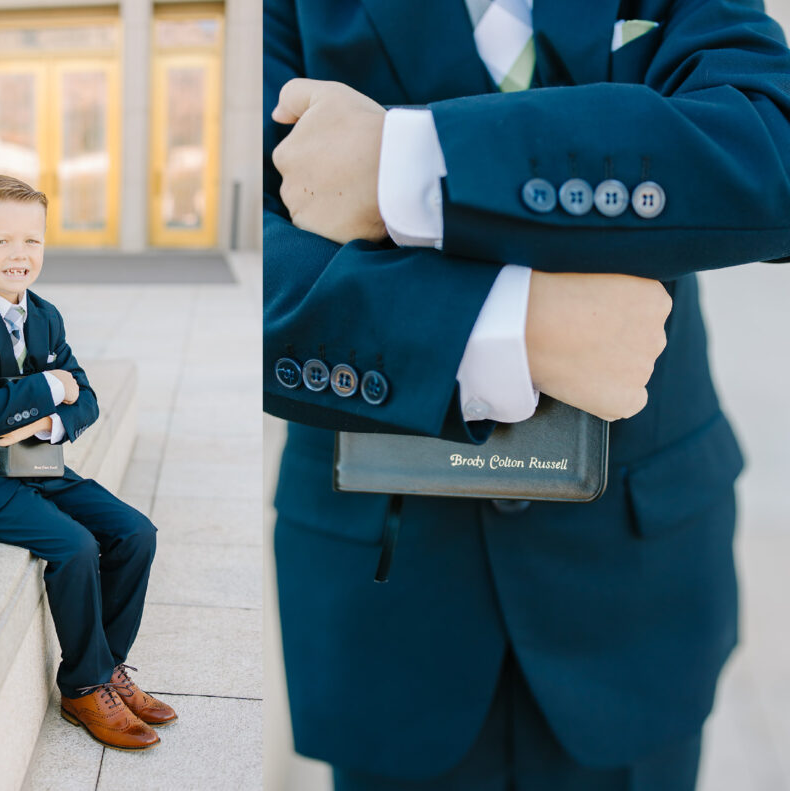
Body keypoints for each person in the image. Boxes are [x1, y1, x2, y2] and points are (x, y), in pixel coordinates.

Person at [264, 0, 790, 788]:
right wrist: (506, 327)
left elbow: (770, 144)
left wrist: (412, 165)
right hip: (391, 599)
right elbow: (246, 259)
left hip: (637, 591)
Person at [0, 174, 176, 752]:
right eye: (1, 242)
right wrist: (46, 384)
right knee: (75, 546)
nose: (19, 255)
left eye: (31, 241)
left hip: (34, 460)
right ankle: (83, 687)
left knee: (136, 532)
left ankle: (109, 666)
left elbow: (85, 399)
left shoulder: (45, 315)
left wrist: (45, 420)